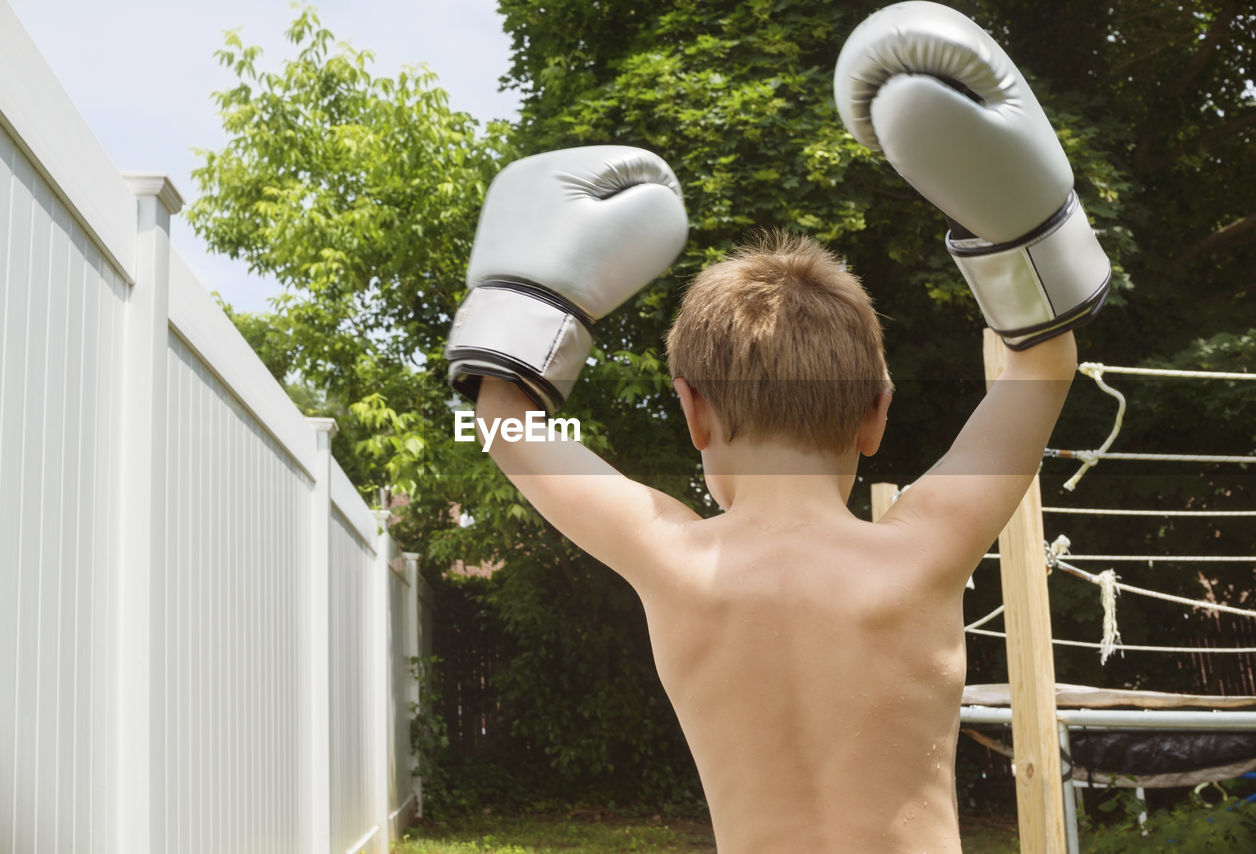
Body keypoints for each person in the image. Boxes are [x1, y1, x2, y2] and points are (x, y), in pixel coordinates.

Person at [444, 3, 1111, 851]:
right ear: (877, 411)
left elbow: (504, 426)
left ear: (692, 411)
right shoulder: (926, 549)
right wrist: (1023, 228)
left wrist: (523, 302)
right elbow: (1041, 368)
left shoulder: (673, 560)